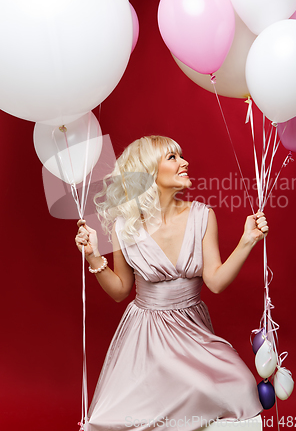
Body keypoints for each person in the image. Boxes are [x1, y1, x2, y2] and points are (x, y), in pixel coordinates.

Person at [75, 135, 268, 431]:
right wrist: (92, 257)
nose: (184, 162)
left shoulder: (203, 215)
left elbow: (215, 282)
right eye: (172, 157)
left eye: (181, 155)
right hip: (146, 341)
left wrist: (247, 240)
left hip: (194, 334)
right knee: (117, 420)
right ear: (149, 171)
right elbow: (120, 291)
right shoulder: (124, 226)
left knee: (241, 388)